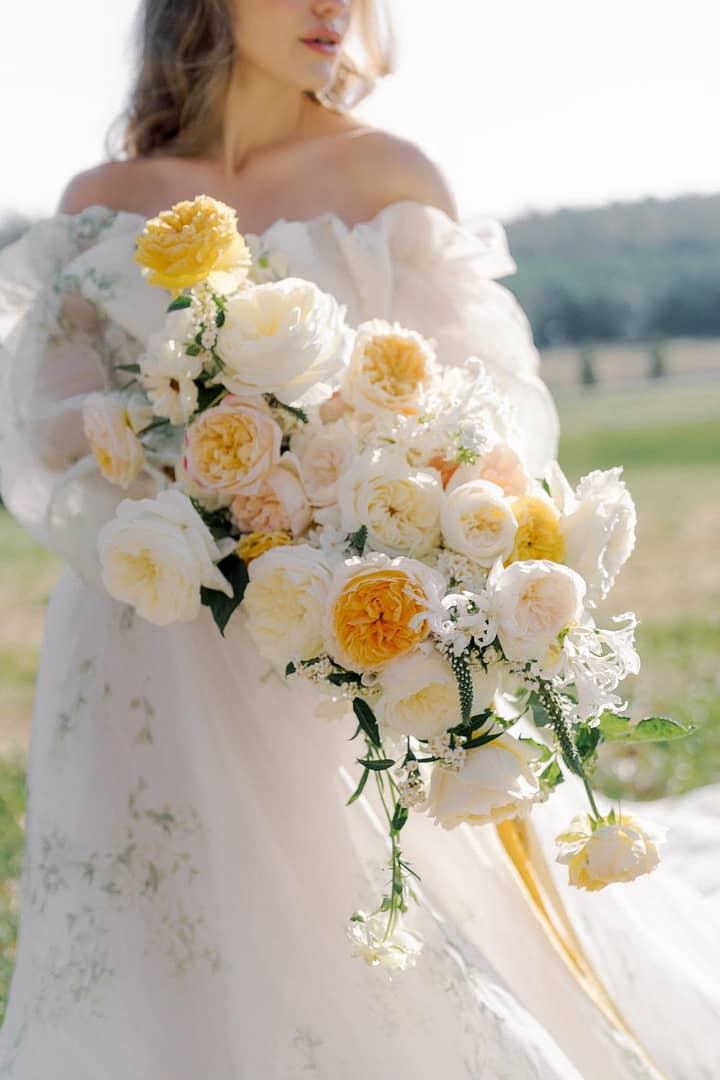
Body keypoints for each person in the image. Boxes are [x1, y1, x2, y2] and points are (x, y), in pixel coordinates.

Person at [0, 1, 718, 1076]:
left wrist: (349, 474)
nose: (338, 7)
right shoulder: (101, 209)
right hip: (145, 629)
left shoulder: (390, 181)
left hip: (341, 632)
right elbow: (50, 425)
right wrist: (175, 421)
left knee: (368, 933)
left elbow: (491, 428)